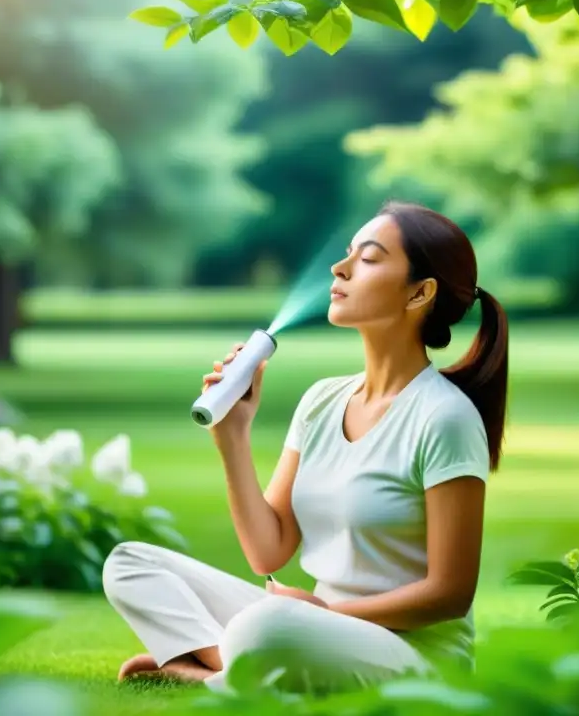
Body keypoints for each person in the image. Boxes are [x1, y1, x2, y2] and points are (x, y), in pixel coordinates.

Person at [102, 201, 509, 695]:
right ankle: (234, 671)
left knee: (267, 629)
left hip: (410, 654)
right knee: (130, 563)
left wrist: (322, 612)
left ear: (420, 292)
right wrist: (232, 437)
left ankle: (210, 672)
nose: (341, 268)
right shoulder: (321, 400)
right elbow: (268, 550)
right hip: (312, 626)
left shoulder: (444, 417)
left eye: (370, 258)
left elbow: (449, 594)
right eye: (348, 253)